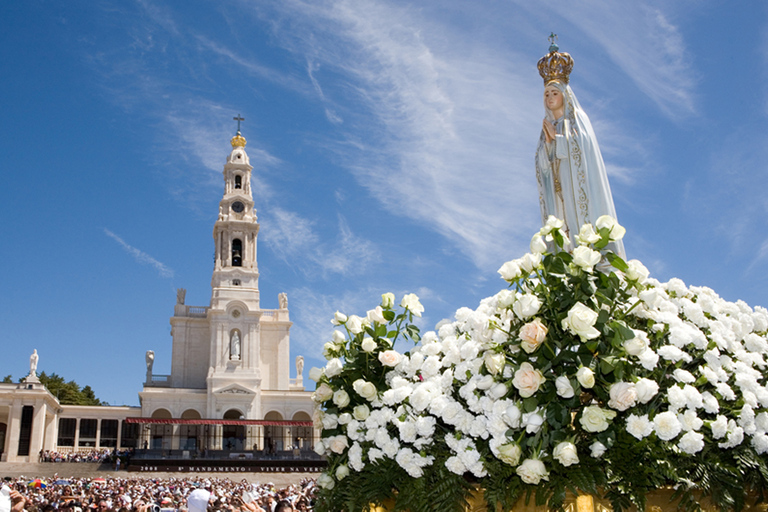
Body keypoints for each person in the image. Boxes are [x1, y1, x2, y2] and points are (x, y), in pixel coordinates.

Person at [535, 36, 626, 259]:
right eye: (546, 93)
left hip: (578, 191)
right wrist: (547, 147)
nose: (549, 98)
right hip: (558, 194)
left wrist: (559, 141)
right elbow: (542, 167)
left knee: (581, 232)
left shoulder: (577, 120)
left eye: (554, 93)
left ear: (565, 95)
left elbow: (584, 150)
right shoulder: (547, 127)